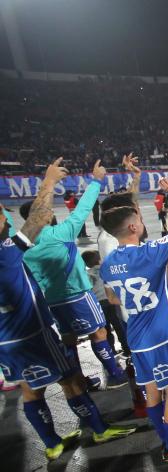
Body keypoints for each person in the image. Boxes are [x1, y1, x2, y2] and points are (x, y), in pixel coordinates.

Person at [0, 158, 135, 461]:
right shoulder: (8, 252)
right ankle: (99, 427)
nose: (6, 219)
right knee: (72, 379)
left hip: (5, 343)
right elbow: (40, 216)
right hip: (34, 331)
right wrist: (50, 181)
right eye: (1, 215)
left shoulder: (15, 249)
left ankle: (51, 443)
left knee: (30, 389)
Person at [100, 177, 168, 462]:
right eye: (138, 217)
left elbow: (112, 299)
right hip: (162, 333)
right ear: (134, 226)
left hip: (137, 335)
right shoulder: (151, 252)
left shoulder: (108, 263)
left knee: (152, 393)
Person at [21, 160, 129, 390]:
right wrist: (96, 180)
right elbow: (84, 208)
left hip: (50, 300)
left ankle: (80, 380)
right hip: (78, 295)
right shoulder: (60, 233)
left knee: (68, 340)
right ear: (44, 215)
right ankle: (115, 374)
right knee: (98, 334)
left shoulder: (22, 243)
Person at [82, 250, 131, 358]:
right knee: (118, 326)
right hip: (111, 301)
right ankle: (127, 349)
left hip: (98, 303)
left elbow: (88, 288)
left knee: (106, 328)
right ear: (99, 259)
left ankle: (111, 350)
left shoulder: (88, 274)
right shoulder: (107, 269)